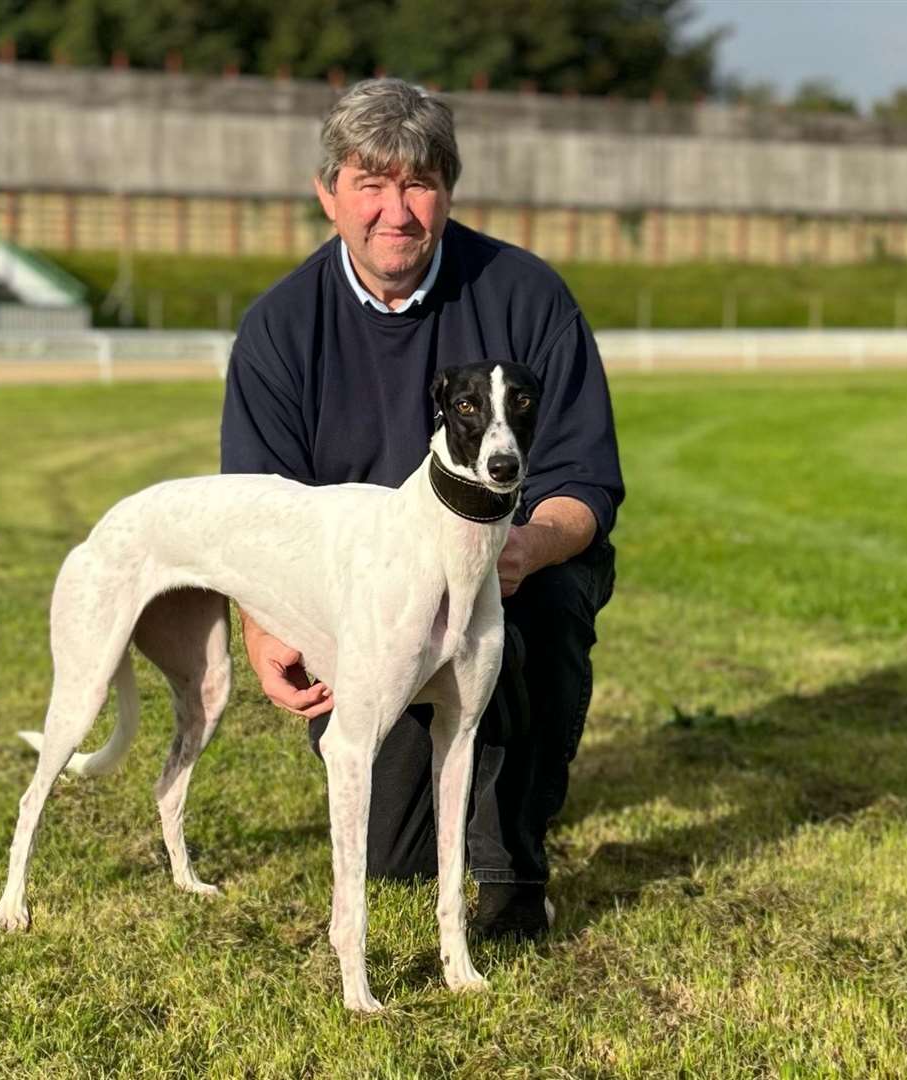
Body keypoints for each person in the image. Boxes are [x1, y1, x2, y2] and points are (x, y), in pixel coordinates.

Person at [219, 78, 623, 940]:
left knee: (541, 606)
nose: (393, 211)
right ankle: (448, 805)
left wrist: (527, 547)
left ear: (447, 189)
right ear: (327, 194)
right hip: (366, 604)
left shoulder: (526, 296)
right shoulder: (279, 329)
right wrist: (263, 625)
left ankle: (511, 866)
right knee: (390, 854)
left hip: (511, 574)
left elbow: (586, 482)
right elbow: (255, 514)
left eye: (417, 183)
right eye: (369, 183)